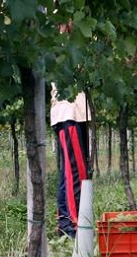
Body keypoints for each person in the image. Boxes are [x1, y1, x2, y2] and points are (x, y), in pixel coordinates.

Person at [50, 84, 91, 238]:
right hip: (69, 113)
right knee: (76, 172)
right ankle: (75, 226)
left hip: (74, 114)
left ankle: (65, 223)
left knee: (69, 172)